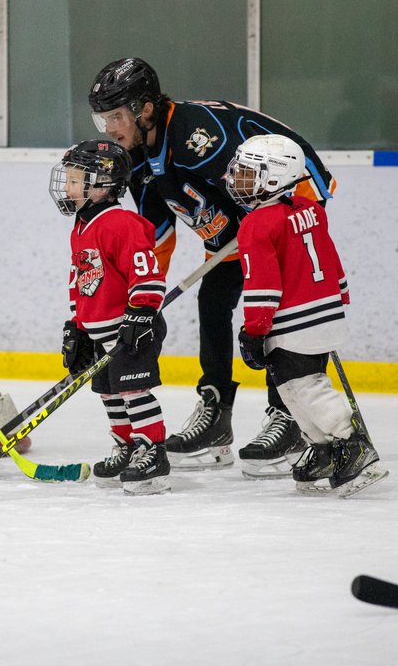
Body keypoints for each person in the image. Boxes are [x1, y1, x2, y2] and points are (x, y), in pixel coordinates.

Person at [87, 57, 338, 476]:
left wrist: (261, 234)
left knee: (278, 311)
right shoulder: (135, 158)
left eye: (115, 116)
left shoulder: (196, 137)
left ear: (145, 109)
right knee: (214, 301)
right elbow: (155, 236)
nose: (110, 129)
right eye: (103, 120)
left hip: (284, 208)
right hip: (234, 230)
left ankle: (289, 417)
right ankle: (216, 413)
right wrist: (140, 301)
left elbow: (271, 184)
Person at [225, 134, 386, 496]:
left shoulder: (256, 224)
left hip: (293, 322)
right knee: (289, 389)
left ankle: (352, 443)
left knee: (306, 387)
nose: (237, 179)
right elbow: (329, 257)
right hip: (324, 312)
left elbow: (262, 286)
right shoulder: (309, 208)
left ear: (274, 178)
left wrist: (253, 331)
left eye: (249, 173)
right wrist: (340, 293)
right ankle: (325, 449)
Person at [50, 139, 171, 495]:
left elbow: (146, 273)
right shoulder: (81, 226)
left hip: (133, 326)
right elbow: (80, 280)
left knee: (134, 390)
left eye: (75, 180)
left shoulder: (122, 223)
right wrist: (78, 325)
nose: (68, 187)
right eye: (68, 179)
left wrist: (140, 313)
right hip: (101, 331)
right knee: (109, 393)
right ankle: (127, 445)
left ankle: (153, 450)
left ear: (102, 184)